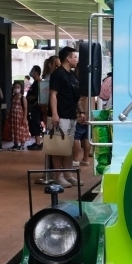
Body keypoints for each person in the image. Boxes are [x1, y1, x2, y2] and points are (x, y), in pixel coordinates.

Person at [49, 46, 81, 187]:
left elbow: (75, 97)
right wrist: (55, 114)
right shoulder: (58, 74)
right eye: (74, 57)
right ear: (68, 58)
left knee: (68, 146)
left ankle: (68, 174)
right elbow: (53, 95)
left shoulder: (72, 75)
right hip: (61, 115)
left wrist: (80, 112)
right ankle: (58, 176)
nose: (77, 60)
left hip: (71, 115)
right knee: (58, 146)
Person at [6, 80, 30, 151]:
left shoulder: (23, 98)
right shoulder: (13, 97)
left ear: (21, 88)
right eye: (15, 87)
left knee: (21, 130)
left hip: (20, 117)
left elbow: (25, 108)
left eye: (18, 87)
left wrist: (25, 118)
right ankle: (15, 144)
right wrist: (9, 116)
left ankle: (22, 145)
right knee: (14, 130)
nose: (16, 89)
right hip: (13, 118)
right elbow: (11, 107)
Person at [26, 65, 44, 150]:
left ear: (36, 72)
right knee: (34, 123)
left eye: (33, 70)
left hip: (36, 107)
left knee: (36, 124)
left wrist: (29, 98)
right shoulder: (35, 83)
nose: (31, 72)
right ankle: (37, 141)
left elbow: (37, 95)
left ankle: (38, 142)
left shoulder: (39, 83)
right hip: (33, 107)